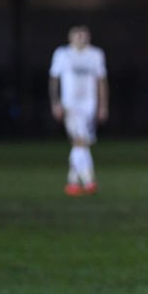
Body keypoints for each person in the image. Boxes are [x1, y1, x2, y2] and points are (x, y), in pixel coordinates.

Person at [49, 25, 108, 196]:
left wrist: (103, 106)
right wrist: (55, 102)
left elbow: (102, 81)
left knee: (81, 143)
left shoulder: (96, 54)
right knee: (80, 141)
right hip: (70, 104)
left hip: (89, 104)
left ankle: (73, 183)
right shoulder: (62, 54)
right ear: (70, 38)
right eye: (78, 35)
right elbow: (53, 79)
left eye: (84, 35)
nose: (81, 38)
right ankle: (88, 181)